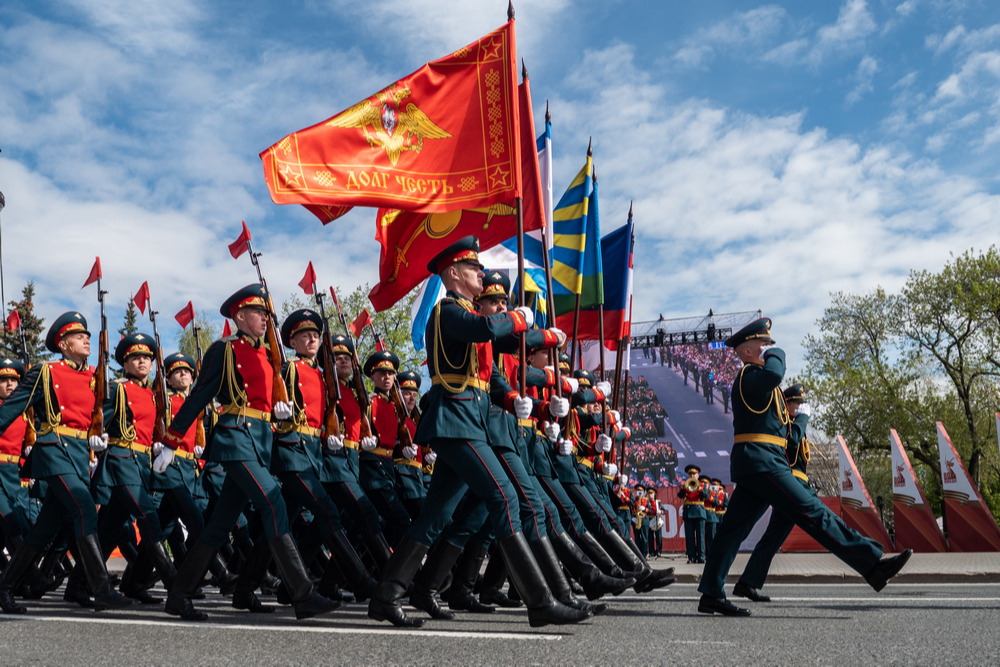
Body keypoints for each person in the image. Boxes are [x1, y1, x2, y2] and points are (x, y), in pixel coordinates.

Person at [367, 236, 591, 629]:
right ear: (453, 274)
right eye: (474, 270)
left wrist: (547, 335)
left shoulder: (467, 315)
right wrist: (521, 318)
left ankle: (391, 594)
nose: (481, 275)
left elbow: (505, 338)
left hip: (466, 421)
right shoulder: (448, 311)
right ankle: (540, 600)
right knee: (504, 496)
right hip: (455, 419)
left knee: (437, 515)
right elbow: (489, 327)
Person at [697, 318, 912, 616]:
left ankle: (710, 593)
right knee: (813, 512)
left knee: (731, 531)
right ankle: (873, 564)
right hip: (763, 461)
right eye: (762, 344)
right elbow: (775, 371)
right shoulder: (750, 375)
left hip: (758, 461)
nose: (768, 348)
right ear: (746, 352)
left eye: (770, 344)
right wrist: (779, 351)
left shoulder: (759, 382)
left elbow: (785, 433)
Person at [160, 284, 340, 622]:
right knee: (273, 501)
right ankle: (302, 593)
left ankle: (180, 595)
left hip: (260, 442)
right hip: (235, 437)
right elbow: (198, 396)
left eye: (268, 314)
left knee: (218, 525)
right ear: (240, 316)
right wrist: (172, 440)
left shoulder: (271, 356)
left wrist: (282, 409)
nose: (265, 319)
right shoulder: (224, 350)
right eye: (259, 313)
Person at [0, 312, 132, 614]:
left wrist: (100, 437)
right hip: (53, 450)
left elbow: (107, 416)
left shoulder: (96, 379)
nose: (86, 339)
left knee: (44, 530)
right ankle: (100, 588)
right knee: (84, 507)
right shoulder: (46, 373)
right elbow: (9, 411)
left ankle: (5, 586)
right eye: (78, 336)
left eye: (87, 335)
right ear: (63, 344)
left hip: (77, 455)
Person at [91, 333, 178, 604]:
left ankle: (80, 584)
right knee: (148, 518)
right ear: (125, 364)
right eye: (135, 358)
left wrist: (158, 445)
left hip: (140, 464)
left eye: (146, 358)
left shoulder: (153, 396)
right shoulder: (118, 389)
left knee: (110, 529)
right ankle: (176, 585)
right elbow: (95, 417)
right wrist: (93, 439)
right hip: (120, 459)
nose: (142, 362)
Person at [677, 464, 707, 564]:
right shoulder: (685, 485)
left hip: (699, 511)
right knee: (689, 536)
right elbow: (680, 495)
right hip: (689, 511)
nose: (692, 476)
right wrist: (684, 488)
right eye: (690, 474)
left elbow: (706, 496)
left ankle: (701, 556)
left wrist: (700, 489)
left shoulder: (702, 486)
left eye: (694, 474)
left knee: (700, 536)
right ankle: (691, 556)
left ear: (698, 475)